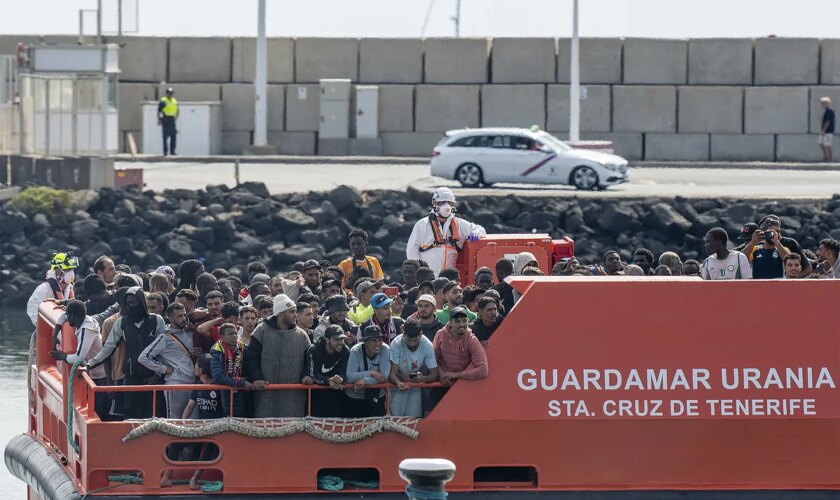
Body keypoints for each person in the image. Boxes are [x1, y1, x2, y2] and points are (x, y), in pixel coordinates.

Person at [87, 286, 166, 419]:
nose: (130, 306)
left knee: (155, 417)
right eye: (127, 303)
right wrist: (90, 364)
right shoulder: (121, 323)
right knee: (132, 417)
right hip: (131, 377)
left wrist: (157, 375)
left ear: (141, 303)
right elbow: (107, 349)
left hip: (153, 378)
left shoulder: (156, 320)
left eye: (133, 303)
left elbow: (164, 350)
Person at [246, 294, 312, 418]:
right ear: (281, 314)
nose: (295, 315)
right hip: (265, 394)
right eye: (291, 312)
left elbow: (308, 362)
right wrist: (257, 377)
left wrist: (305, 376)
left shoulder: (302, 335)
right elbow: (251, 358)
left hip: (293, 397)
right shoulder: (261, 331)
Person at [49, 300, 109, 419]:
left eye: (68, 315)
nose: (67, 318)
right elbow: (62, 317)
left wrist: (62, 357)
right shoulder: (82, 318)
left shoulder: (86, 329)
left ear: (73, 316)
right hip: (92, 371)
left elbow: (79, 357)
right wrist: (55, 334)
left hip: (101, 374)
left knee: (100, 409)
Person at [406, 187, 486, 276]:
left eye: (449, 203)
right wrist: (416, 273)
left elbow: (481, 229)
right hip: (427, 278)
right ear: (435, 204)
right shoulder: (422, 224)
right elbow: (412, 249)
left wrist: (476, 233)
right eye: (443, 202)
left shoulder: (460, 224)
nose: (446, 206)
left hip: (448, 280)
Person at [138, 302, 195, 420]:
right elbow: (143, 357)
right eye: (179, 316)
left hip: (193, 383)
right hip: (176, 384)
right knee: (175, 421)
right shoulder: (164, 337)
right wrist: (164, 369)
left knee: (193, 421)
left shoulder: (190, 332)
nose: (183, 319)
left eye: (184, 315)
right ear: (170, 318)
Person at [429, 307, 489, 411]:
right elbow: (433, 360)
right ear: (450, 323)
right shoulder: (440, 334)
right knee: (428, 413)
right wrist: (442, 374)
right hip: (441, 384)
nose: (461, 324)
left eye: (464, 320)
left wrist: (455, 375)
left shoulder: (472, 340)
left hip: (464, 385)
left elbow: (483, 371)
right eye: (457, 321)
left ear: (468, 321)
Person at [389, 319, 438, 417]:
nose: (412, 344)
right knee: (395, 418)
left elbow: (434, 375)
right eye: (409, 340)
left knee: (414, 419)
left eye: (415, 340)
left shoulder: (427, 345)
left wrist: (422, 379)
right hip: (398, 386)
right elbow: (392, 374)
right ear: (403, 334)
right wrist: (398, 382)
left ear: (421, 334)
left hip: (416, 386)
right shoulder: (396, 343)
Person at [301, 325, 349, 417]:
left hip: (336, 397)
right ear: (327, 340)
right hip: (316, 398)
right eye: (336, 340)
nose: (340, 343)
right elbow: (313, 374)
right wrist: (328, 381)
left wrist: (340, 378)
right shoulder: (314, 350)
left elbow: (345, 373)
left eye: (342, 339)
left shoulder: (345, 351)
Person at [741, 215, 812, 278]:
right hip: (758, 288)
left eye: (777, 231)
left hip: (778, 288)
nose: (775, 234)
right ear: (763, 232)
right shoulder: (755, 249)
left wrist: (776, 242)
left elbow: (789, 260)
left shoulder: (783, 249)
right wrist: (752, 242)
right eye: (771, 231)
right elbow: (740, 259)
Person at [345, 325, 391, 418]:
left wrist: (365, 380)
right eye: (373, 340)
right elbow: (349, 376)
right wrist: (372, 373)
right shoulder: (355, 350)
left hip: (377, 395)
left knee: (378, 429)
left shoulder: (385, 349)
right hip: (355, 397)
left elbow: (384, 377)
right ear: (365, 342)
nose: (378, 344)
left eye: (380, 340)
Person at [210, 323, 252, 417]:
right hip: (227, 395)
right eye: (230, 334)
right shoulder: (217, 352)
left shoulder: (242, 347)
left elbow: (250, 367)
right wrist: (241, 383)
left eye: (235, 333)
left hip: (245, 392)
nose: (234, 336)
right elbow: (218, 378)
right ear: (222, 337)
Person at [27, 252, 78, 327]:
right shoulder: (43, 289)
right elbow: (33, 310)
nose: (70, 272)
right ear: (57, 270)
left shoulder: (73, 288)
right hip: (50, 329)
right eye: (67, 269)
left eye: (71, 269)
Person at [158, 87, 179, 156]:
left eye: (171, 93)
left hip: (172, 119)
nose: (170, 94)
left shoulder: (174, 101)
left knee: (173, 135)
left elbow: (177, 109)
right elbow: (159, 111)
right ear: (166, 93)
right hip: (165, 119)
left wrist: (176, 117)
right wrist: (160, 119)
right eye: (169, 93)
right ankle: (165, 152)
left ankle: (172, 151)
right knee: (165, 136)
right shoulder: (163, 101)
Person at [819, 96, 835, 162]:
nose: (822, 104)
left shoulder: (829, 111)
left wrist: (823, 130)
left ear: (828, 103)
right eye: (822, 103)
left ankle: (829, 159)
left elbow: (827, 122)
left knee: (828, 145)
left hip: (828, 131)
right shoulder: (826, 111)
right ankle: (826, 156)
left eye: (824, 103)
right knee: (821, 143)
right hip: (825, 131)